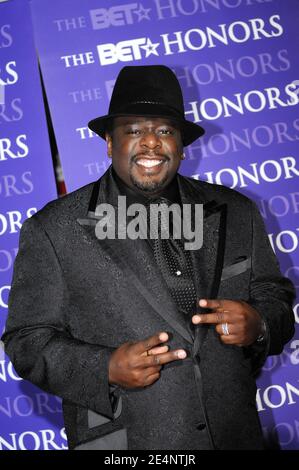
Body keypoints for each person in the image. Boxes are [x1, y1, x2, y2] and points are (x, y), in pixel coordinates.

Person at [2, 65, 295, 450]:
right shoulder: (54, 230)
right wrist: (105, 367)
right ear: (109, 143)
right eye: (135, 130)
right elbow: (26, 341)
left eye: (164, 130)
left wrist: (259, 324)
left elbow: (274, 298)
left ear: (181, 144)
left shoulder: (236, 211)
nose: (152, 143)